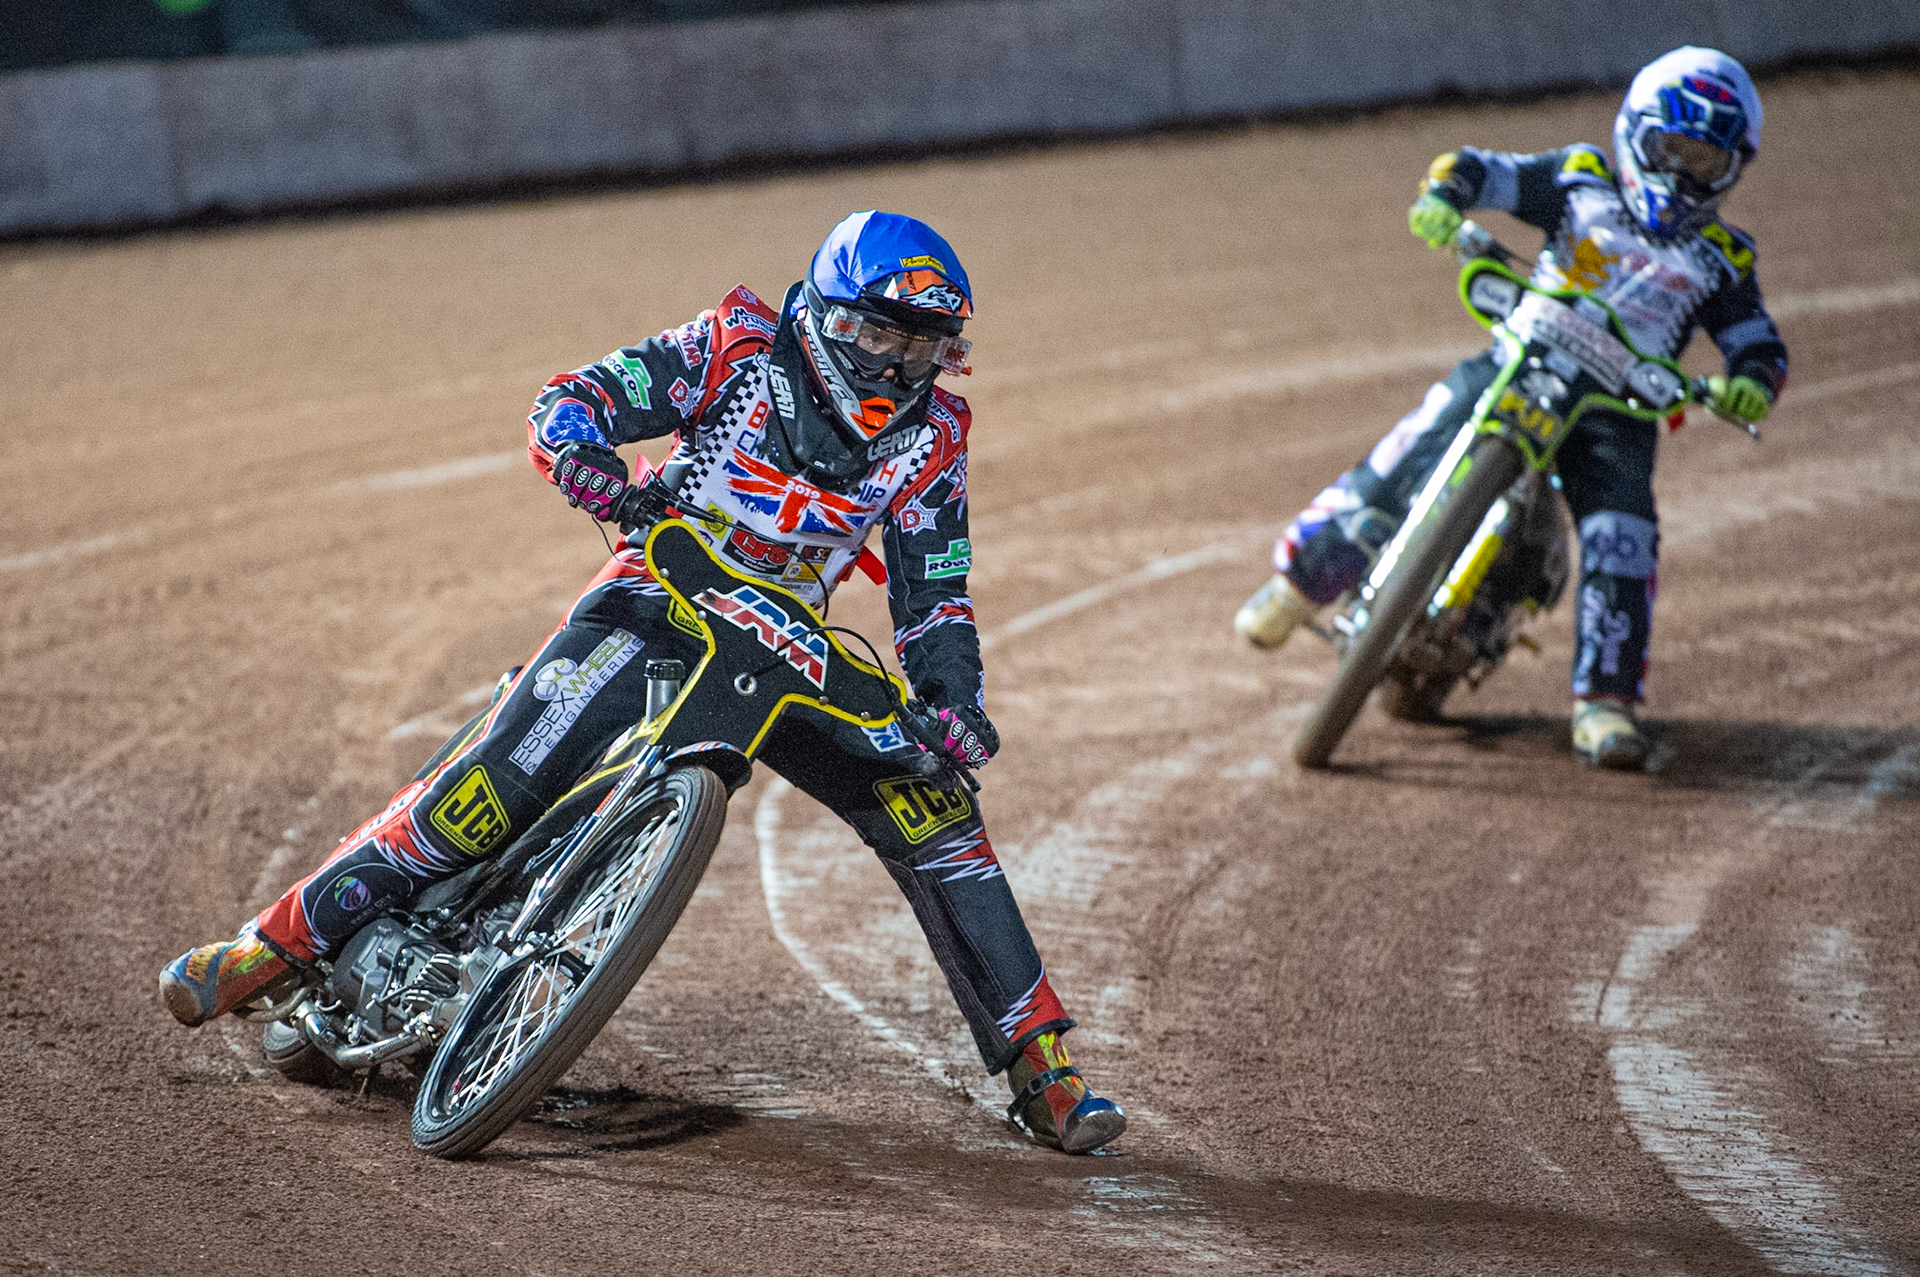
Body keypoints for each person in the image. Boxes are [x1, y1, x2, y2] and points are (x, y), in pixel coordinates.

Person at [160, 210, 1126, 1154]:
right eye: (876, 332)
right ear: (825, 316)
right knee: (491, 788)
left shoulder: (938, 437)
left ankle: (1043, 1067)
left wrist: (957, 707)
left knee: (941, 813)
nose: (891, 366)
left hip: (789, 642)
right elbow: (570, 399)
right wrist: (588, 467)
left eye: (919, 348)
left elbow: (936, 599)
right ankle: (263, 947)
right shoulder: (735, 343)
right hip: (661, 581)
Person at [1233, 47, 1788, 769]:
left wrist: (1749, 380)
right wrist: (1444, 199)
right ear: (1635, 134)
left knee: (1624, 535)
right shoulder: (1580, 181)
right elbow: (1476, 168)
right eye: (1670, 148)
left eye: (1705, 161)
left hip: (1615, 412)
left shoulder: (1723, 258)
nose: (1683, 172)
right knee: (1411, 443)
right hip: (1519, 361)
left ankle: (1604, 702)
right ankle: (1299, 584)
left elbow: (1758, 344)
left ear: (1732, 169)